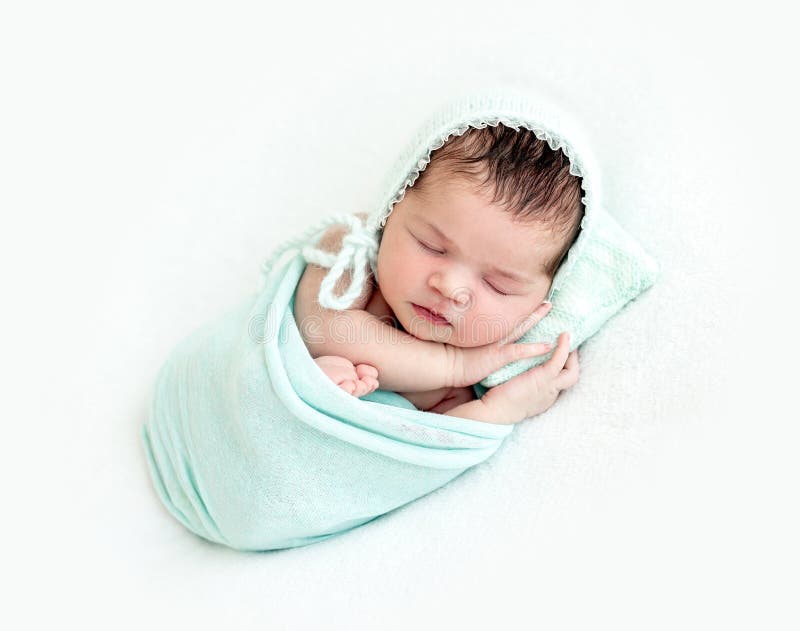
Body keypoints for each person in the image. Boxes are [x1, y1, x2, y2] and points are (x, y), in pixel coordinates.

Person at [293, 124, 581, 425]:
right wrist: (453, 366)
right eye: (431, 247)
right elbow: (324, 331)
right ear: (391, 207)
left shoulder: (456, 391)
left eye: (498, 286)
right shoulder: (350, 247)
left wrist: (502, 408)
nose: (450, 288)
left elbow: (427, 446)